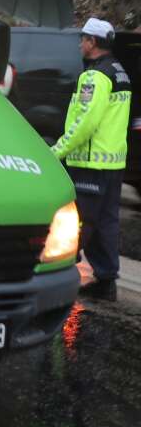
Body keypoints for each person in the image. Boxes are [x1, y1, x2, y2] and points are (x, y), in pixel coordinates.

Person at [51, 17, 133, 301]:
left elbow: (85, 123)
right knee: (106, 222)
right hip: (112, 163)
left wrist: (57, 151)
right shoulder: (120, 72)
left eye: (83, 39)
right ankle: (106, 278)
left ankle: (57, 274)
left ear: (92, 43)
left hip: (90, 163)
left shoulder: (95, 77)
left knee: (80, 221)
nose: (80, 44)